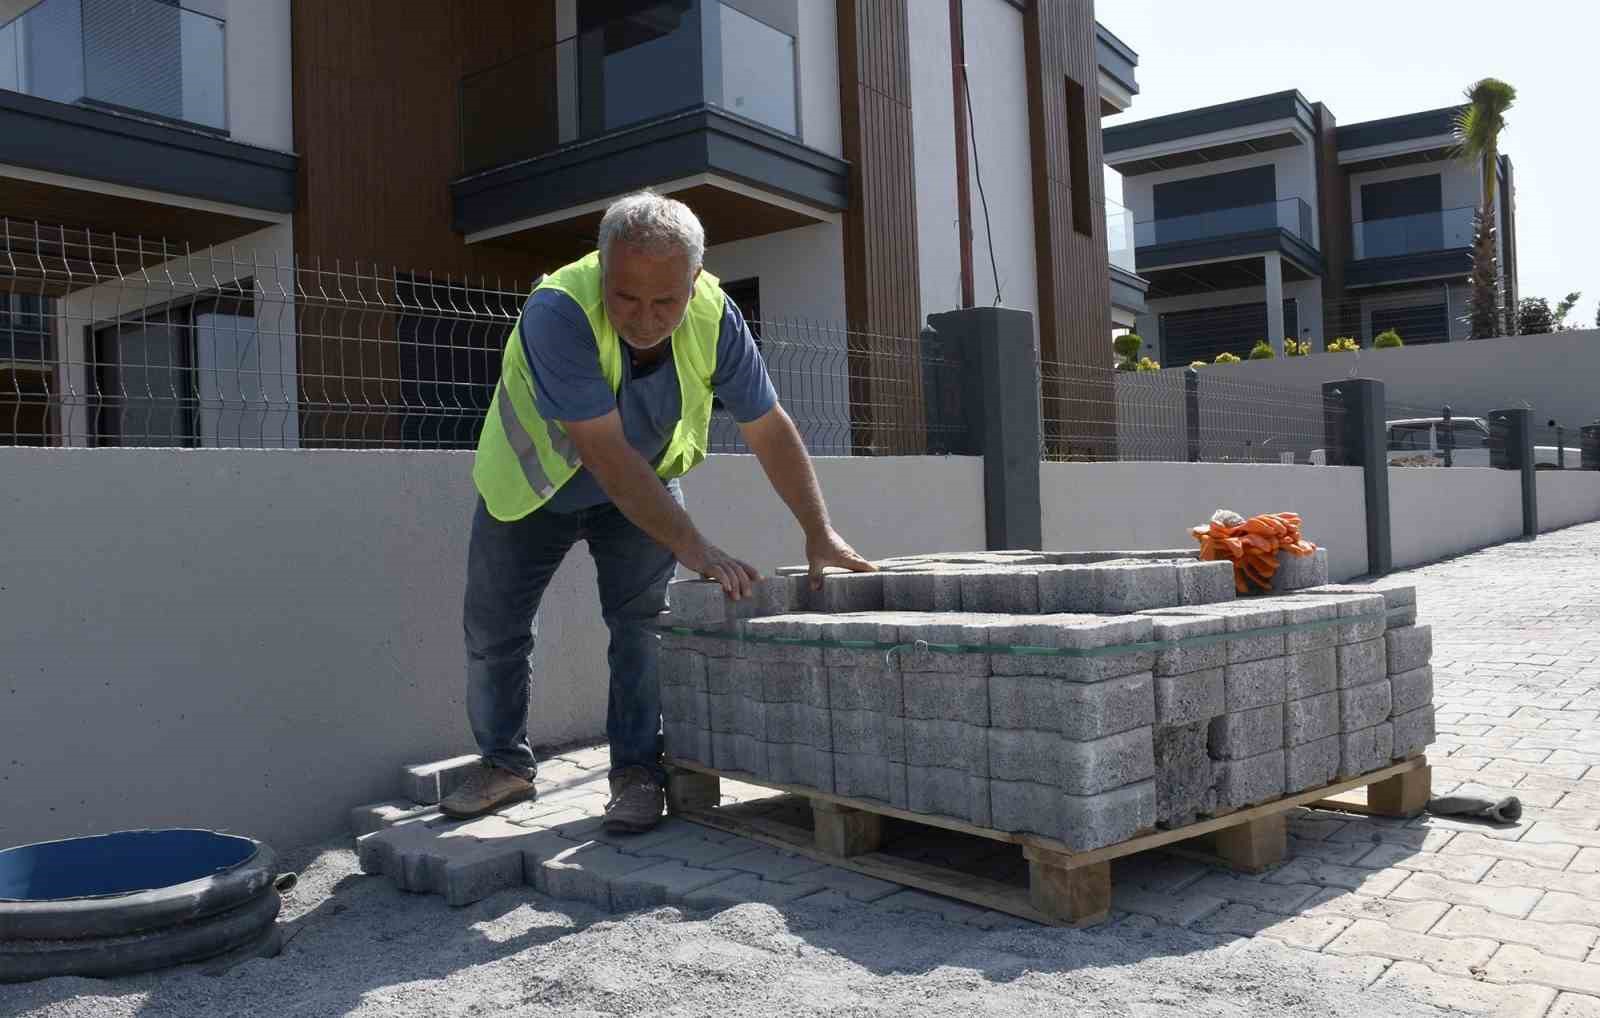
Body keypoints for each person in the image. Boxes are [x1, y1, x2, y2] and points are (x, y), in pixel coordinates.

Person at [441, 190, 874, 831]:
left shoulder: (716, 316)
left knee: (641, 629)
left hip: (641, 493)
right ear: (603, 265)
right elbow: (606, 455)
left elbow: (767, 425)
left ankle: (638, 775)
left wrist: (819, 529)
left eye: (665, 301)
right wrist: (695, 547)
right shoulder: (558, 311)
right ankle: (505, 765)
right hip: (530, 490)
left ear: (694, 280)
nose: (644, 318)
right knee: (496, 631)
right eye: (625, 297)